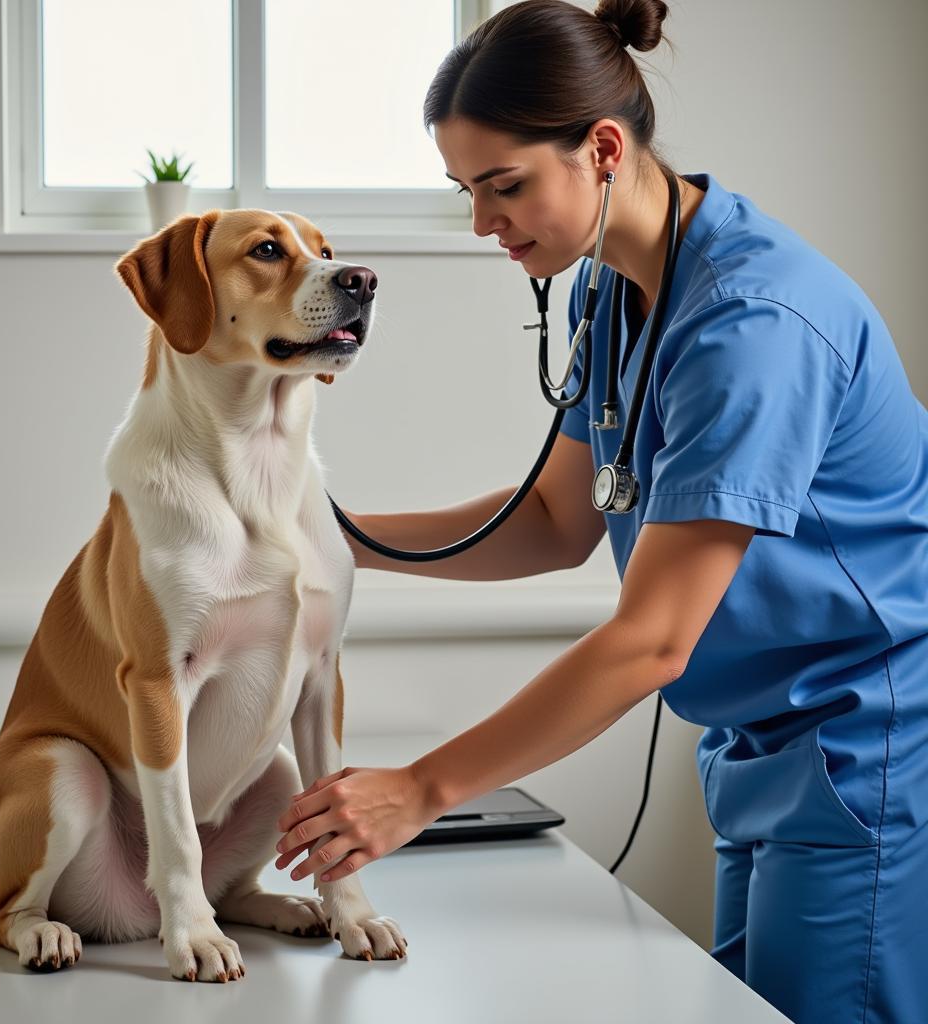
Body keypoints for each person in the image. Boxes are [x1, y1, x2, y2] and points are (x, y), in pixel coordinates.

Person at [273, 1, 928, 1020]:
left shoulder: (753, 324)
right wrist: (321, 531)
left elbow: (652, 641)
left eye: (505, 187)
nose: (485, 224)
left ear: (603, 149)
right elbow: (552, 520)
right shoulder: (612, 291)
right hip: (762, 745)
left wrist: (422, 788)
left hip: (864, 742)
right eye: (466, 192)